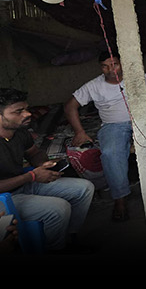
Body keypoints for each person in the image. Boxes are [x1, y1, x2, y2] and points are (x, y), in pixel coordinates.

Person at [64, 49, 146, 222]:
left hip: (142, 120)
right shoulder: (94, 86)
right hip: (112, 125)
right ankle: (120, 199)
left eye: (114, 64)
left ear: (121, 64)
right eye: (105, 66)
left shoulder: (137, 78)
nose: (110, 69)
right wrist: (80, 132)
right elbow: (70, 106)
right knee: (110, 153)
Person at [0, 88, 95, 253]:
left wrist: (45, 164)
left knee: (84, 188)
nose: (27, 114)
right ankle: (55, 249)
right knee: (58, 208)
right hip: (4, 197)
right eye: (18, 111)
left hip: (23, 182)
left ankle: (68, 238)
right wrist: (32, 175)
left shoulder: (19, 132)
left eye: (26, 109)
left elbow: (34, 153)